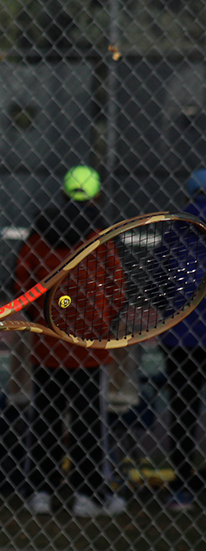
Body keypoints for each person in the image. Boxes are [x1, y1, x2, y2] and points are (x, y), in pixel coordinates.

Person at [19, 165, 127, 518]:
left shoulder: (39, 232)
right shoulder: (102, 235)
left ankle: (41, 492)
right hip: (88, 344)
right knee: (88, 422)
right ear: (97, 195)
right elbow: (117, 286)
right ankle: (88, 494)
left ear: (63, 192)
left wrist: (42, 319)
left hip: (48, 343)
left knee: (46, 418)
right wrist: (102, 321)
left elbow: (23, 278)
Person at [158, 167, 206, 510]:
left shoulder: (177, 227)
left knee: (183, 410)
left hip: (181, 336)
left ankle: (182, 486)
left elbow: (157, 279)